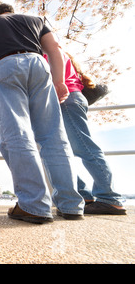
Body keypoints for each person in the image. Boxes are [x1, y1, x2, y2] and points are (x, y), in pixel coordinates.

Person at [0, 3, 84, 224]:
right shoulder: (36, 20)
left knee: (17, 134)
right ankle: (71, 205)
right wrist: (59, 81)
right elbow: (55, 48)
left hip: (4, 66)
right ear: (12, 12)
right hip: (38, 64)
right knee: (54, 136)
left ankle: (34, 205)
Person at [44, 51, 126, 215]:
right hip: (70, 99)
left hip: (66, 100)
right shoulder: (59, 53)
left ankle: (110, 198)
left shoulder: (48, 52)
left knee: (84, 148)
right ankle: (83, 195)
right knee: (64, 150)